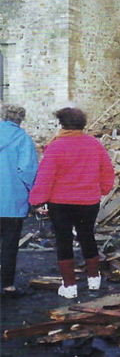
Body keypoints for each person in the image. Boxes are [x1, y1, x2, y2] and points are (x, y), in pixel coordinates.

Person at [29, 107, 115, 299]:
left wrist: (37, 200)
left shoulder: (56, 147)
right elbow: (107, 171)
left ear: (62, 124)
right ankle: (94, 278)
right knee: (87, 236)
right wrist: (103, 190)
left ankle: (69, 286)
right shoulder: (94, 144)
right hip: (88, 201)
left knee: (63, 240)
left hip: (60, 203)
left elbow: (45, 177)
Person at [0, 104, 38, 298]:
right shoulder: (23, 139)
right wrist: (35, 198)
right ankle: (7, 286)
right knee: (9, 244)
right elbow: (27, 171)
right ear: (20, 119)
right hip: (12, 202)